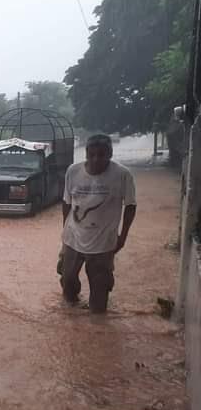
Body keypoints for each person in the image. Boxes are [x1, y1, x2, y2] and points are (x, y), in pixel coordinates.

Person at [60, 134, 137, 314]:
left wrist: (123, 237)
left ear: (110, 154)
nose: (96, 159)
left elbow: (131, 206)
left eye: (101, 155)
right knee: (68, 283)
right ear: (86, 153)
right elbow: (66, 202)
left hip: (103, 243)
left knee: (99, 301)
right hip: (73, 238)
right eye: (91, 154)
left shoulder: (122, 175)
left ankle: (97, 326)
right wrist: (64, 228)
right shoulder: (73, 171)